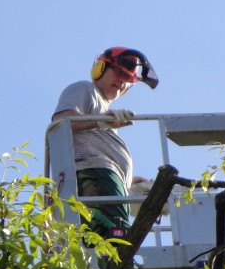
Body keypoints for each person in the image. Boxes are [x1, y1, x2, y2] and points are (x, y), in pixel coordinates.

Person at [52, 47, 159, 239]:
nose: (122, 82)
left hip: (107, 177)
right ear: (100, 68)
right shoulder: (84, 89)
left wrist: (133, 181)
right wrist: (102, 120)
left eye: (128, 80)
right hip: (97, 174)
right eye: (118, 72)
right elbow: (61, 122)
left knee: (114, 234)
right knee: (114, 237)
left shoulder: (102, 109)